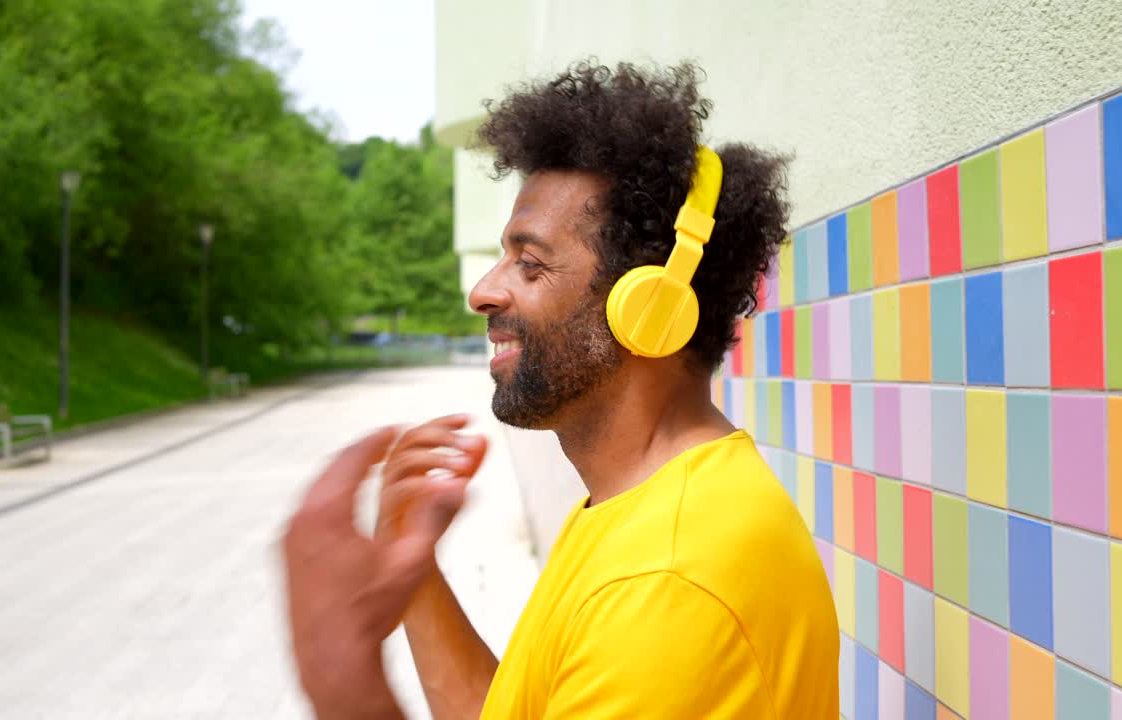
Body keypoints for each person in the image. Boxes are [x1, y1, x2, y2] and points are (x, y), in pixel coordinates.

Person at [283, 60, 839, 719]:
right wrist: (414, 573)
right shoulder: (637, 511)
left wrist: (342, 678)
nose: (483, 291)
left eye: (530, 263)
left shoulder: (668, 583)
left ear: (649, 307)